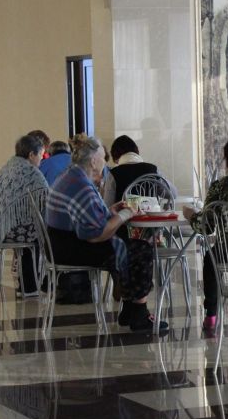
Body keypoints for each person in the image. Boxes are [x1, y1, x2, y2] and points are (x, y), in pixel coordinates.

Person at [46, 135, 166, 332]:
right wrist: (126, 214)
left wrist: (111, 211)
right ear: (94, 161)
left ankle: (129, 310)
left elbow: (89, 215)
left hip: (61, 244)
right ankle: (139, 314)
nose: (105, 162)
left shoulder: (71, 176)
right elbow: (97, 234)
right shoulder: (81, 184)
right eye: (103, 157)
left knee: (129, 243)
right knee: (140, 249)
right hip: (72, 248)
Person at [183, 138, 228, 331]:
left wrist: (190, 215)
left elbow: (206, 227)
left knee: (210, 259)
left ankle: (211, 315)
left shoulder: (220, 186)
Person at [0, 134, 48, 297]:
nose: (42, 159)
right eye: (41, 155)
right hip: (10, 231)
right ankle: (32, 286)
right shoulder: (31, 172)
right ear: (31, 155)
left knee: (32, 227)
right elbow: (46, 198)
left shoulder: (8, 166)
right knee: (42, 233)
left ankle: (27, 284)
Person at [102, 135, 158, 207]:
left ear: (116, 157)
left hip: (125, 214)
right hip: (151, 213)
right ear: (136, 151)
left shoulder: (114, 173)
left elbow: (107, 205)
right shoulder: (153, 169)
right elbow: (170, 192)